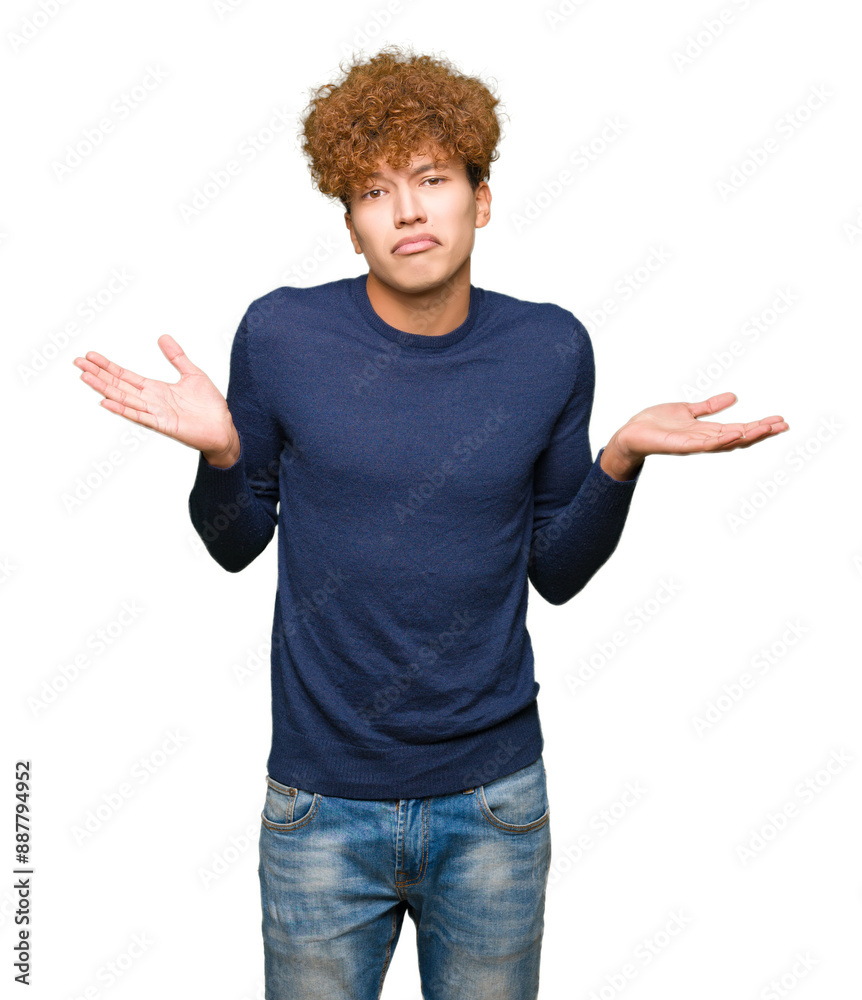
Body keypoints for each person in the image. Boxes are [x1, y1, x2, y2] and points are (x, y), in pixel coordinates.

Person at [72, 44, 788, 1000]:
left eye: (431, 179)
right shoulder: (283, 335)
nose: (407, 210)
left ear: (480, 199)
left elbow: (556, 571)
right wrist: (222, 457)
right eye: (374, 192)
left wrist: (620, 460)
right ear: (352, 224)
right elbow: (237, 543)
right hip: (319, 806)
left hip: (491, 804)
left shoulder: (549, 346)